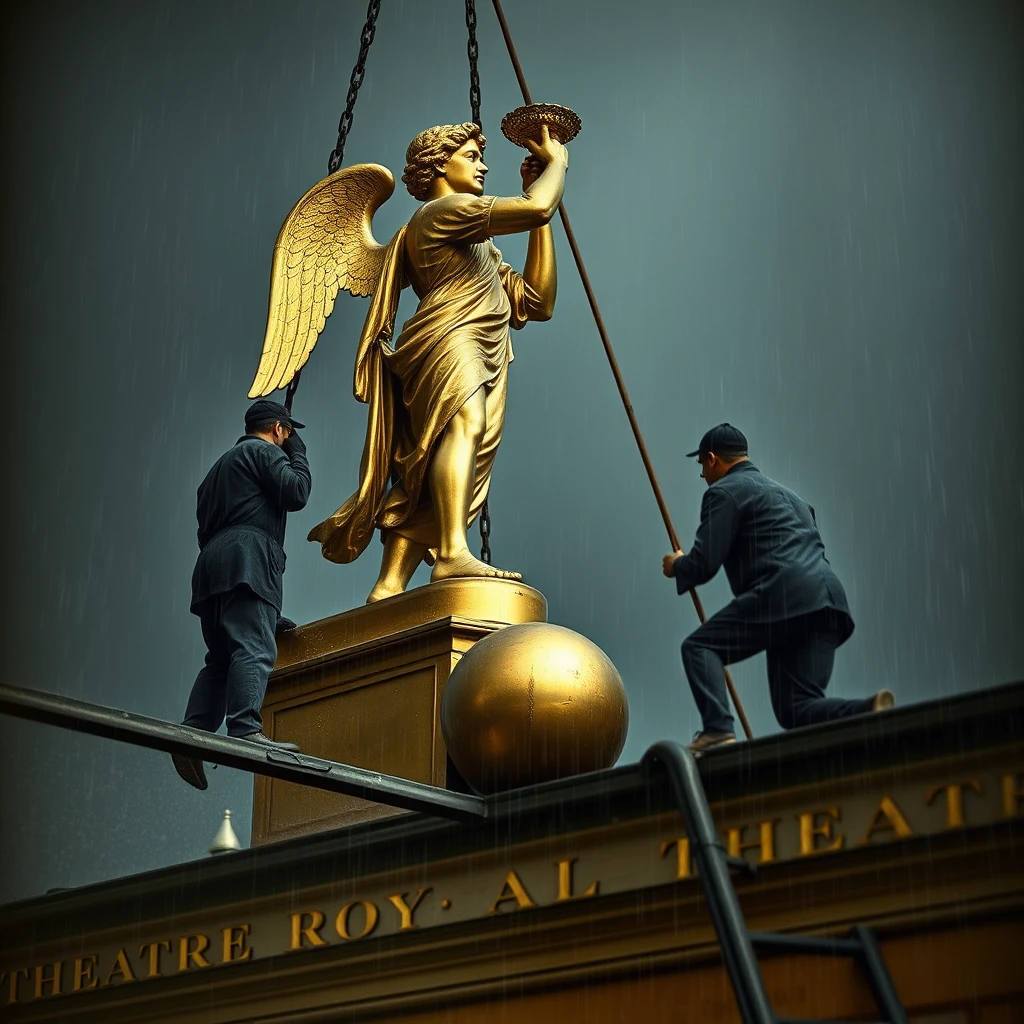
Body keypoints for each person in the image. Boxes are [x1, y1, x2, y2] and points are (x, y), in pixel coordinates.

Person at [308, 121, 568, 601]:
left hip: (480, 346)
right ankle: (451, 554)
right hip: (450, 339)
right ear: (438, 166)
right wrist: (557, 168)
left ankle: (388, 585)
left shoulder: (480, 245)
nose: (484, 165)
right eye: (471, 155)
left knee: (430, 462)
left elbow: (537, 301)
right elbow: (536, 207)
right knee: (461, 429)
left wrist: (541, 216)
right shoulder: (440, 213)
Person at [662, 423, 893, 753]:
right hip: (827, 601)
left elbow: (703, 564)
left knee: (699, 648)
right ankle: (866, 710)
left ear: (711, 458)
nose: (702, 474)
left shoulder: (724, 492)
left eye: (701, 465)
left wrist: (677, 566)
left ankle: (718, 729)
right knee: (796, 708)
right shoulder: (794, 497)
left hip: (782, 592)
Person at [172, 399, 312, 790]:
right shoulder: (263, 451)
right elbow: (296, 492)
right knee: (254, 649)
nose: (289, 439)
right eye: (288, 433)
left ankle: (191, 734)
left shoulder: (218, 469)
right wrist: (297, 454)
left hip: (213, 570)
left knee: (221, 659)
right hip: (247, 561)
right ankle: (245, 729)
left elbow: (208, 527)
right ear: (278, 429)